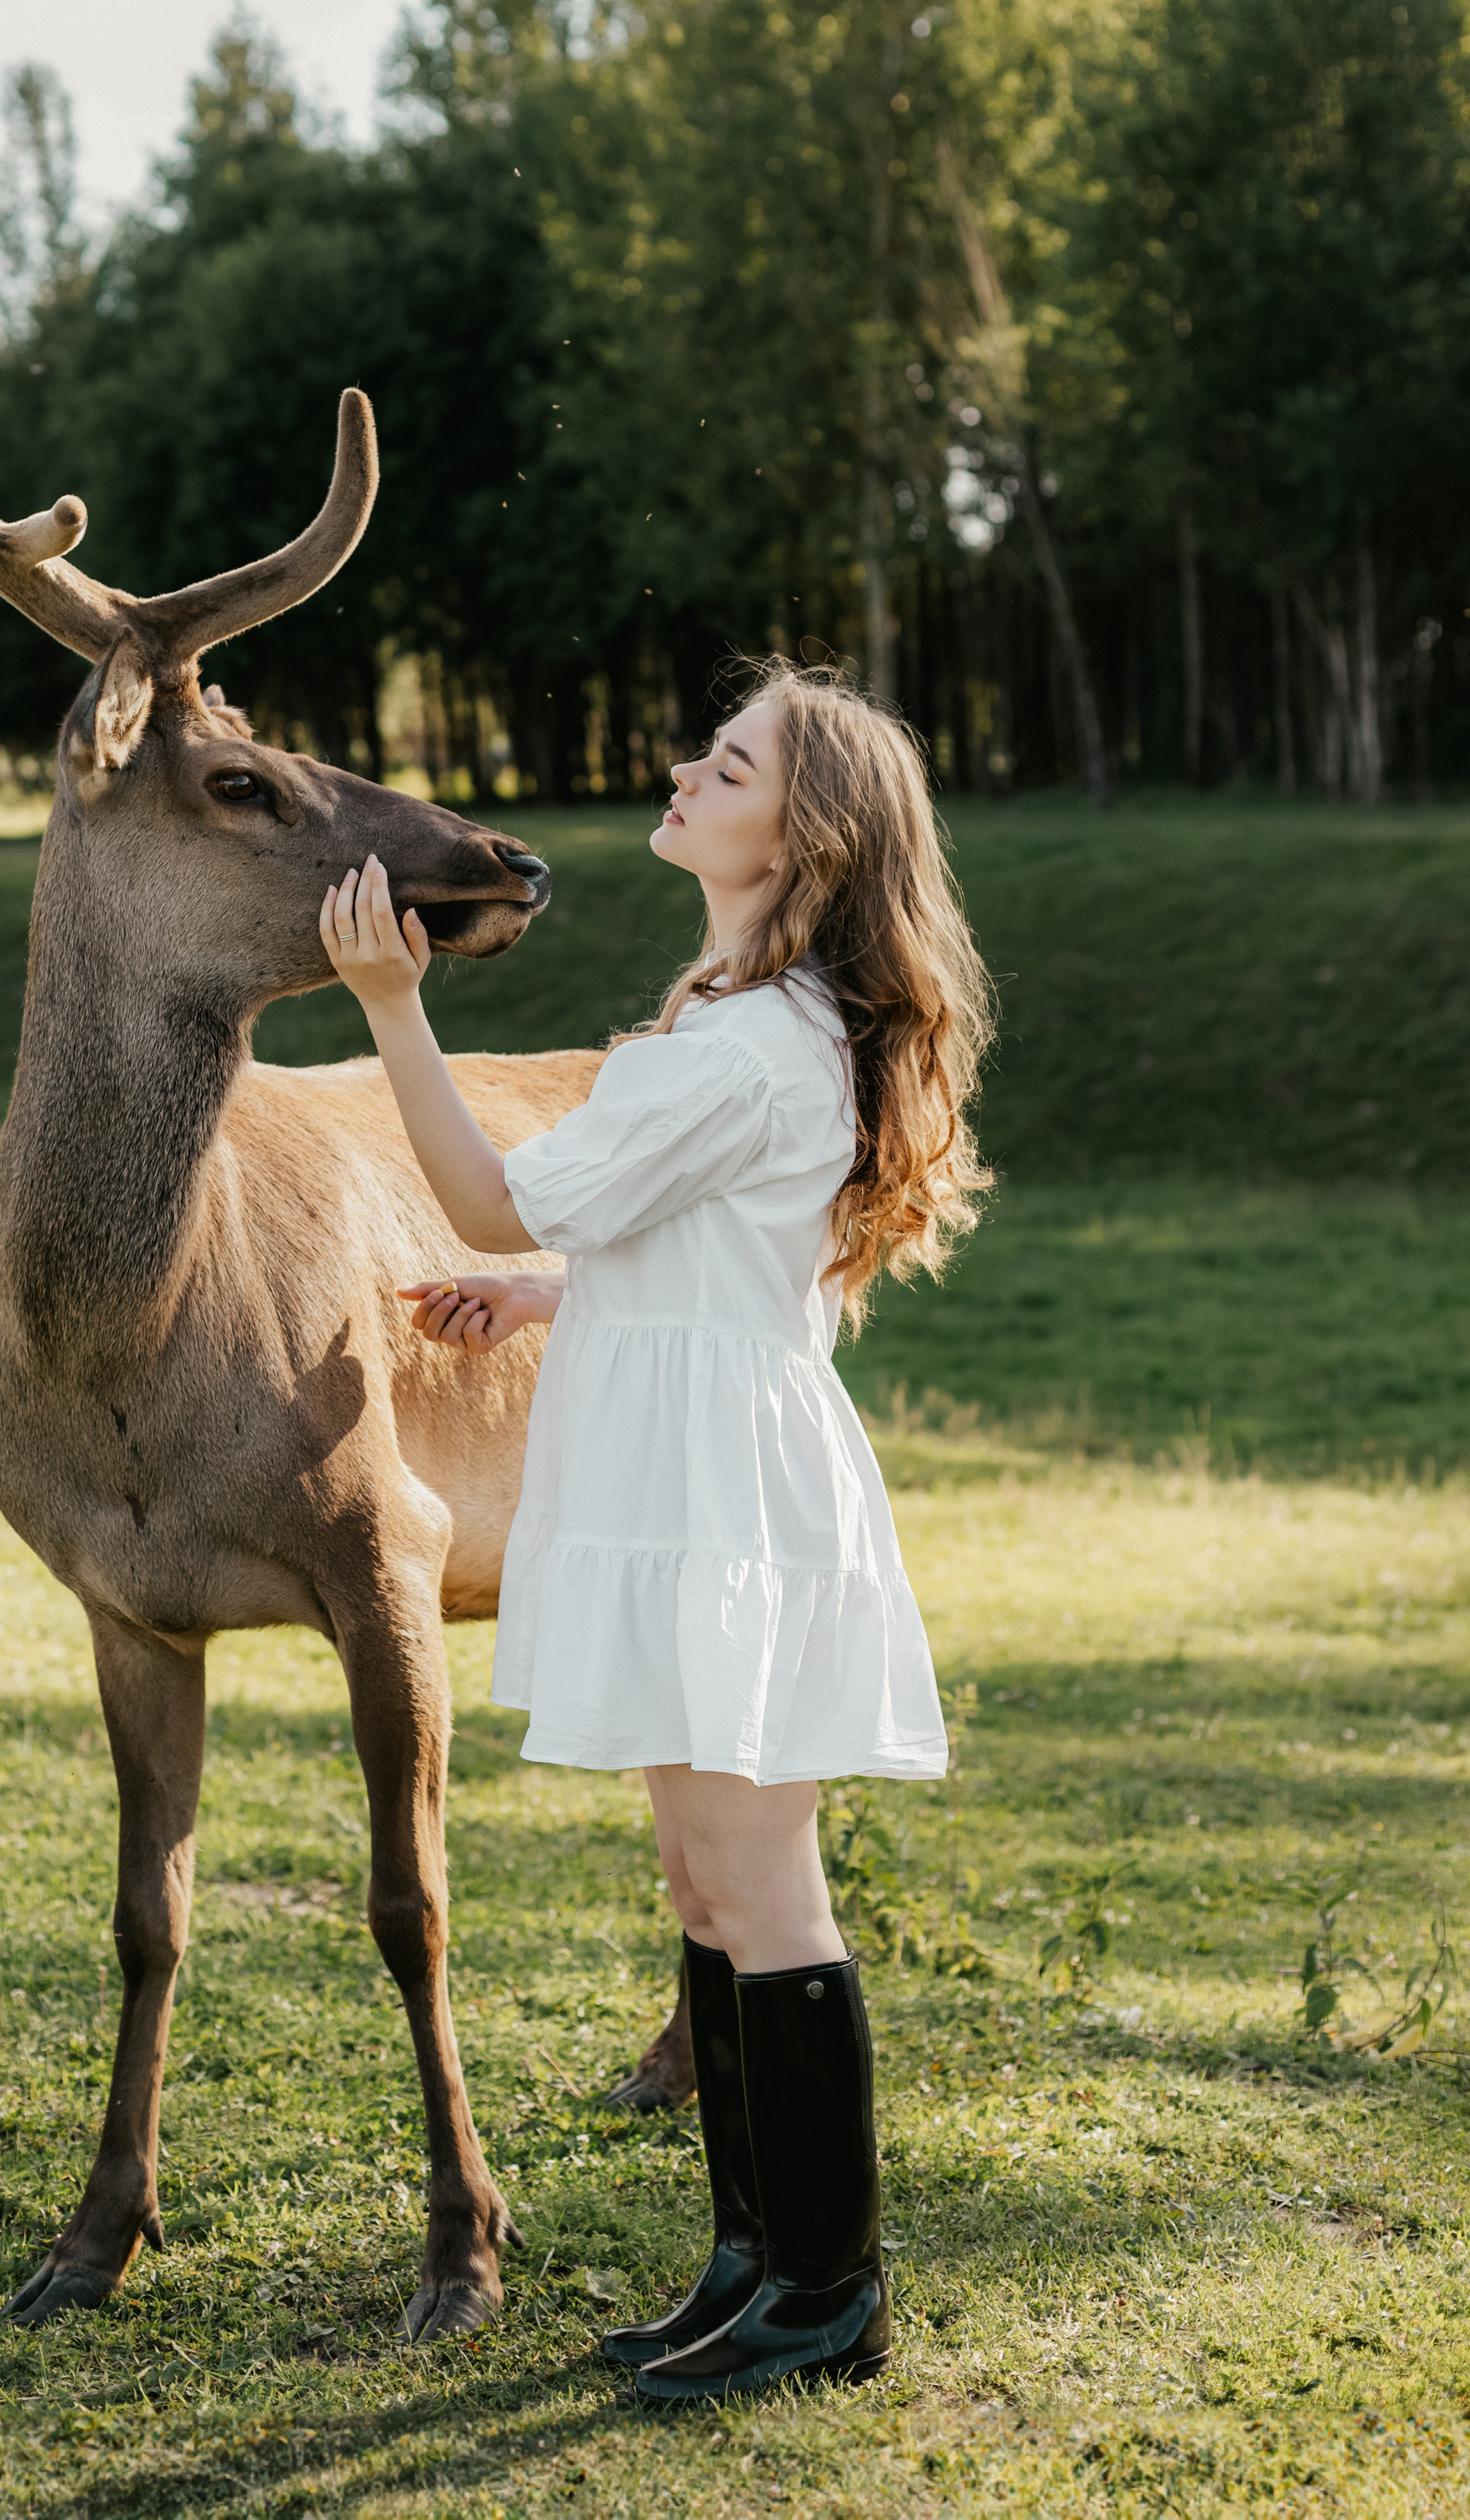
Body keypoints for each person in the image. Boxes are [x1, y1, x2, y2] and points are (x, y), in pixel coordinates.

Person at [318, 654, 992, 2409]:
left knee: (761, 1890)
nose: (690, 771)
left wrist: (392, 1005)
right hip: (677, 1460)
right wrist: (542, 1291)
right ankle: (747, 2263)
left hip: (719, 1492)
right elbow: (701, 1254)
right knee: (704, 1880)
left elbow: (484, 1178)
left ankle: (827, 2297)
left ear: (808, 832)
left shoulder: (759, 1039)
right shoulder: (737, 1021)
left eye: (732, 761)